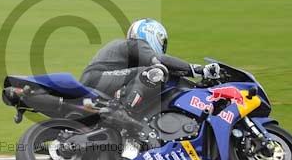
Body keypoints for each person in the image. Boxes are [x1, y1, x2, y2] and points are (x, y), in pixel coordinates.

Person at [80, 18, 220, 117]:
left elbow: (172, 72)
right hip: (96, 78)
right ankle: (123, 111)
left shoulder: (135, 58)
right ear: (153, 34)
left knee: (157, 74)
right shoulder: (135, 44)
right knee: (155, 72)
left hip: (103, 83)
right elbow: (160, 61)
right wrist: (199, 70)